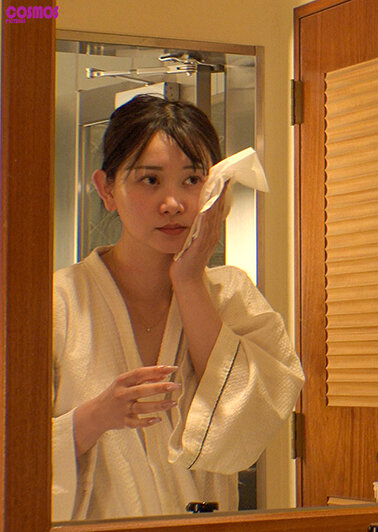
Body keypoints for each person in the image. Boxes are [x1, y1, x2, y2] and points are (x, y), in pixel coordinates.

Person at [50, 95, 305, 521]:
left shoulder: (231, 295)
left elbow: (252, 422)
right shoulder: (57, 303)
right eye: (150, 180)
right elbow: (12, 453)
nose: (173, 203)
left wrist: (188, 280)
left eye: (192, 180)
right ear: (106, 189)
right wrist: (94, 417)